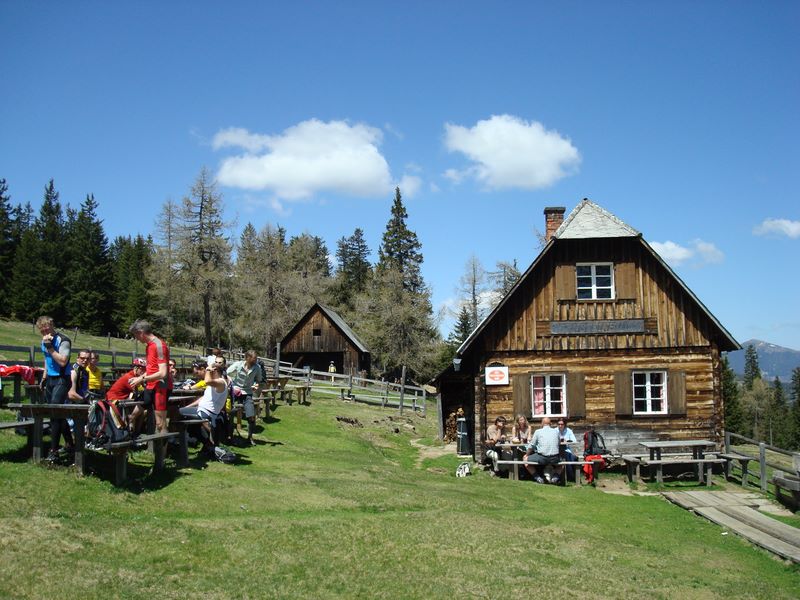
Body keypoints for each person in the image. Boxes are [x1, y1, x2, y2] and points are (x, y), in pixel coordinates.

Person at [37, 316, 75, 463]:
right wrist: (44, 377)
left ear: (52, 325)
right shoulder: (44, 341)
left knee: (54, 414)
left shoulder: (63, 340)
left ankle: (53, 451)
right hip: (50, 379)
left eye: (47, 327)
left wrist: (50, 347)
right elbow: (47, 359)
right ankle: (70, 445)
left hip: (62, 379)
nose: (45, 331)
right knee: (58, 414)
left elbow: (63, 361)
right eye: (42, 329)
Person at [127, 320, 172, 434]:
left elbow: (163, 373)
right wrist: (140, 377)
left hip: (161, 386)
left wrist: (141, 379)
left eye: (136, 335)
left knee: (160, 423)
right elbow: (152, 369)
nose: (136, 339)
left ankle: (165, 444)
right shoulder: (149, 346)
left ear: (141, 332)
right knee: (154, 420)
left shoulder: (159, 345)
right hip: (151, 385)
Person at [179, 358, 229, 455]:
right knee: (187, 420)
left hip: (206, 413)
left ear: (215, 371)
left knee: (176, 414)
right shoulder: (215, 383)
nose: (207, 372)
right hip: (202, 410)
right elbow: (203, 399)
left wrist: (209, 369)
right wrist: (188, 406)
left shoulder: (220, 382)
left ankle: (173, 441)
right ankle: (208, 444)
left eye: (209, 371)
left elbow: (207, 381)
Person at [227, 350, 263, 446]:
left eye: (256, 359)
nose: (255, 360)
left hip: (247, 392)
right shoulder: (238, 365)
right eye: (253, 359)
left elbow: (259, 380)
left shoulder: (257, 368)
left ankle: (250, 437)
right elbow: (226, 373)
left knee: (251, 416)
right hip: (235, 391)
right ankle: (230, 436)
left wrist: (256, 385)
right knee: (230, 413)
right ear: (247, 358)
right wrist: (231, 383)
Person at [523, 417, 563, 484]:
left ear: (542, 423)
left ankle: (537, 478)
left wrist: (527, 454)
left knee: (525, 460)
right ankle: (555, 477)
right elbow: (559, 443)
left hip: (542, 457)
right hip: (554, 457)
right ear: (550, 423)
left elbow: (531, 445)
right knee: (562, 463)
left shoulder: (538, 432)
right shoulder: (556, 432)